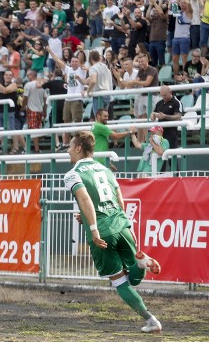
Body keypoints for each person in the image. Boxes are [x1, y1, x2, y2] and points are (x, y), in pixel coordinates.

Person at [65, 131, 162, 334]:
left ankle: (151, 320)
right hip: (121, 224)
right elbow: (119, 199)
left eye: (69, 146)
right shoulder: (106, 170)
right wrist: (125, 224)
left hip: (103, 231)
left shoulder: (73, 174)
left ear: (78, 148)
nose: (67, 150)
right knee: (134, 278)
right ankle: (141, 263)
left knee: (119, 282)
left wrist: (93, 228)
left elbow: (85, 200)